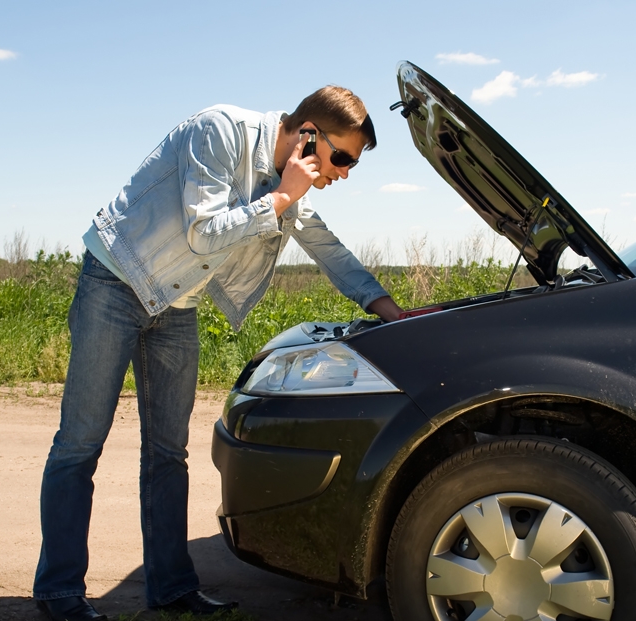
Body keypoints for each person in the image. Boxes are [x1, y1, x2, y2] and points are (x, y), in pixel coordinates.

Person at [33, 86, 404, 621]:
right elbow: (204, 233)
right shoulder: (220, 130)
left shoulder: (286, 181)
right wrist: (281, 197)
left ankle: (171, 588)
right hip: (115, 283)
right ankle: (58, 592)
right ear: (307, 135)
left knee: (168, 453)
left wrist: (387, 308)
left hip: (174, 304)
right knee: (80, 443)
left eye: (351, 163)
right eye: (341, 156)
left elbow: (325, 247)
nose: (343, 172)